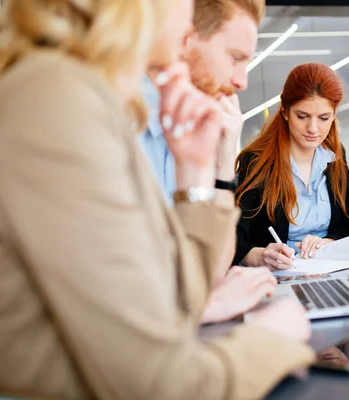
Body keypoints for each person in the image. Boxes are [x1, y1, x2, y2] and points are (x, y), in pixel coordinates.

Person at [0, 0, 314, 399]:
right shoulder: (56, 101)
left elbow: (172, 300)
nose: (190, 13)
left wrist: (195, 171)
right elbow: (159, 385)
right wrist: (274, 337)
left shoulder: (75, 92)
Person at [141, 0, 269, 324]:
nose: (242, 81)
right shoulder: (126, 126)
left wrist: (224, 164)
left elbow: (212, 273)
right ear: (186, 38)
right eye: (235, 58)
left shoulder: (196, 129)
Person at [234, 63, 349, 270]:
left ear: (334, 115)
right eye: (302, 116)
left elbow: (346, 226)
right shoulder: (255, 161)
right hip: (276, 277)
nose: (313, 129)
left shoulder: (335, 157)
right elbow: (235, 241)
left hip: (328, 272)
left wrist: (328, 243)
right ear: (285, 111)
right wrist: (261, 256)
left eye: (324, 118)